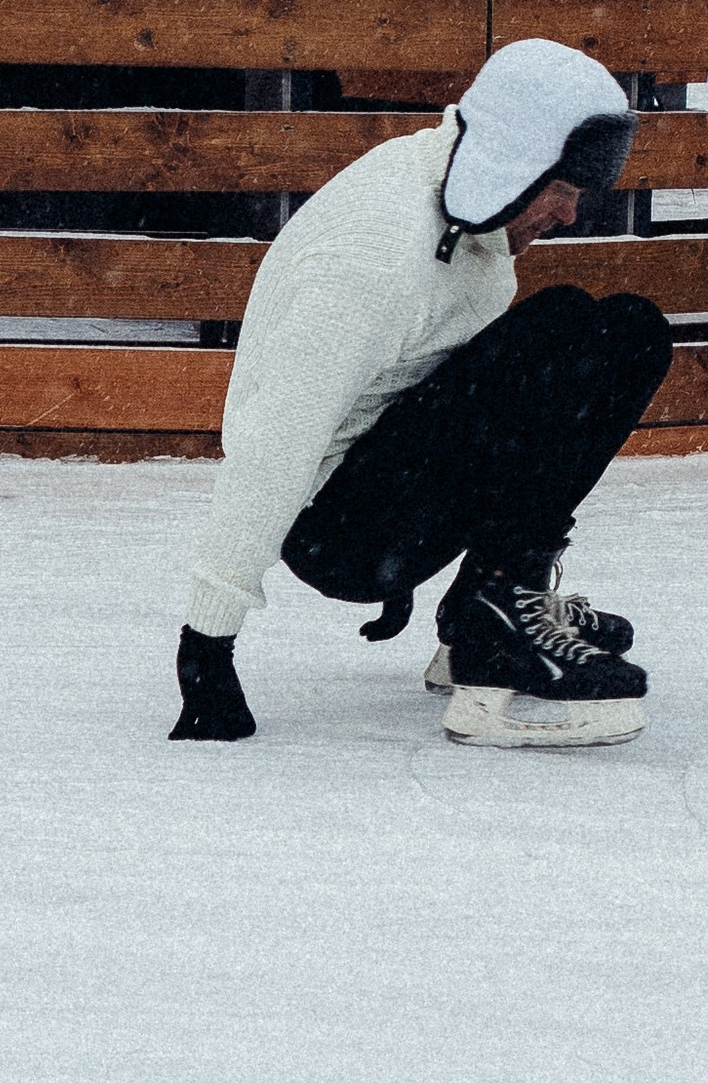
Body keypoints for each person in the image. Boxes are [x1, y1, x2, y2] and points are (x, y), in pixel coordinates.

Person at [169, 38, 670, 750]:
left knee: (627, 330)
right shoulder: (370, 256)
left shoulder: (473, 221)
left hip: (385, 490)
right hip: (335, 531)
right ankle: (492, 624)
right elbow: (277, 438)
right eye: (562, 189)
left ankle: (489, 603)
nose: (569, 215)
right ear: (515, 161)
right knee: (563, 326)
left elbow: (466, 405)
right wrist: (207, 646)